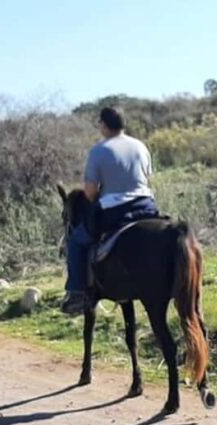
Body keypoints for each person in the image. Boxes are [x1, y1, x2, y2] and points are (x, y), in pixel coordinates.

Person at [61, 107, 159, 315]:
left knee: (76, 242)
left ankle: (77, 292)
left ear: (104, 125)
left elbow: (90, 192)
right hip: (146, 206)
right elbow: (147, 179)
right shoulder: (140, 146)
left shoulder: (99, 151)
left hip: (115, 210)